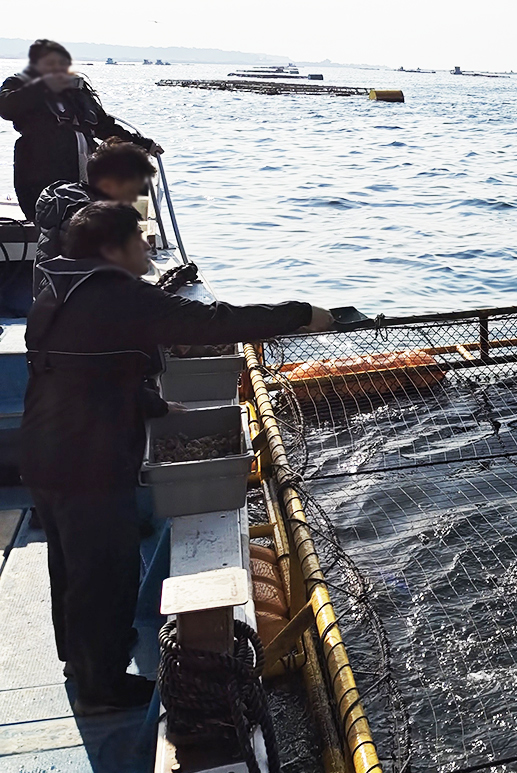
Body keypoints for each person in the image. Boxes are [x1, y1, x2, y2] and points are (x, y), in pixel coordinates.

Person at [23, 201, 332, 714]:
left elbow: (77, 373)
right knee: (106, 569)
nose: (148, 246)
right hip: (88, 462)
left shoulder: (59, 286)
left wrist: (156, 405)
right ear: (111, 249)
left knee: (71, 565)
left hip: (45, 453)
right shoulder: (116, 295)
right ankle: (103, 689)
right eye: (138, 239)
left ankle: (81, 662)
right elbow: (211, 321)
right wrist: (300, 314)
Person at [0, 39, 161, 221]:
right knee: (52, 213)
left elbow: (104, 126)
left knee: (87, 210)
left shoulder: (76, 88)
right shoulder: (19, 84)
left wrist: (144, 144)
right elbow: (5, 107)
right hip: (40, 168)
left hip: (81, 165)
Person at [0, 138, 158, 316]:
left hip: (48, 307)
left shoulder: (64, 201)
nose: (136, 194)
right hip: (71, 316)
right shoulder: (91, 222)